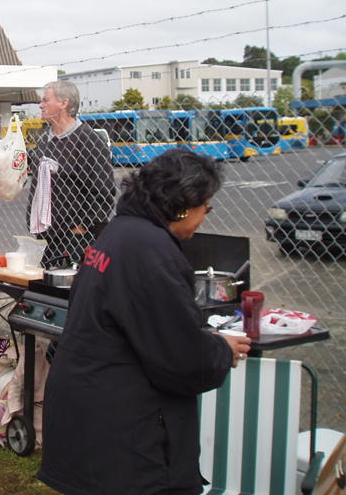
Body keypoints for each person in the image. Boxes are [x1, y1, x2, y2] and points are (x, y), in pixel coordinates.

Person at [38, 149, 252, 495]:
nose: (203, 220)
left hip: (88, 414)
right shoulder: (152, 252)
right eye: (206, 210)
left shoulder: (117, 232)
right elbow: (182, 361)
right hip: (124, 437)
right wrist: (221, 349)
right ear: (184, 204)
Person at [27, 81, 116, 264]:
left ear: (63, 103)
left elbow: (104, 192)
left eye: (46, 100)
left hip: (75, 239)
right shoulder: (45, 141)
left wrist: (82, 227)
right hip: (46, 237)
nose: (40, 105)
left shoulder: (89, 141)